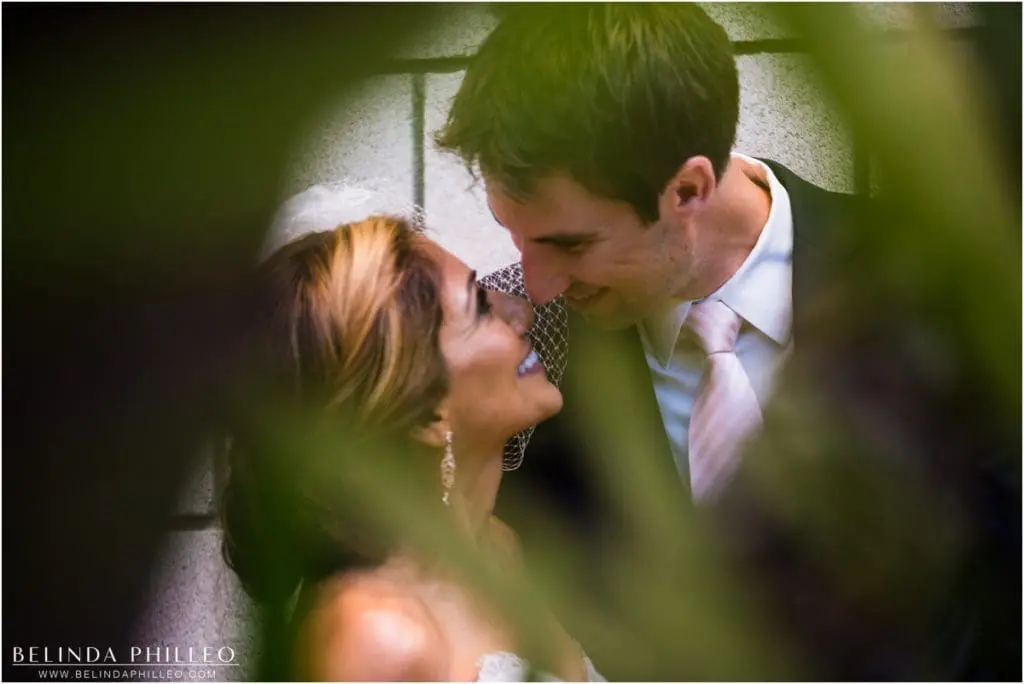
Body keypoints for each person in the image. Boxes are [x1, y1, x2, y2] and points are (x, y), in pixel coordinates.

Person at [436, 4, 1019, 680]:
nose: (534, 286)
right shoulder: (526, 358)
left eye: (571, 244)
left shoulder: (926, 297)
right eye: (519, 239)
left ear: (688, 188)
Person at [220, 211, 607, 681]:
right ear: (425, 413)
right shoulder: (371, 640)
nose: (522, 309)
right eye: (481, 310)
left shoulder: (501, 548)